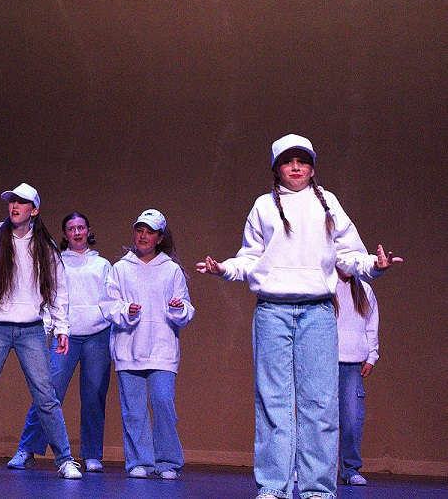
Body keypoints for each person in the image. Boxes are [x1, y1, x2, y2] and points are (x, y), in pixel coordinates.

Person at [197, 134, 400, 499]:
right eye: (288, 162)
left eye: (302, 161)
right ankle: (273, 485)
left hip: (318, 311)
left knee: (320, 402)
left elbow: (349, 254)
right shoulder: (263, 206)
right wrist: (224, 269)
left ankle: (317, 488)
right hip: (272, 311)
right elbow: (250, 258)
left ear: (312, 168)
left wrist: (375, 265)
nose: (295, 167)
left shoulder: (328, 203)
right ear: (276, 169)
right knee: (272, 400)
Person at [0, 183, 82, 480]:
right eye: (11, 201)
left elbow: (58, 290)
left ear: (34, 210)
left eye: (21, 202)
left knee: (46, 397)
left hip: (31, 329)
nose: (14, 206)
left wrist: (61, 327)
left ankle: (65, 459)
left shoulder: (45, 246)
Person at [8, 212, 112, 473]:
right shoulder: (57, 262)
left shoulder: (103, 265)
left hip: (98, 335)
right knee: (48, 392)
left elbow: (111, 300)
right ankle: (27, 449)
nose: (77, 233)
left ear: (88, 230)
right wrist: (47, 330)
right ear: (65, 234)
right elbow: (48, 297)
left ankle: (91, 454)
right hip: (65, 335)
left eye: (81, 228)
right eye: (71, 229)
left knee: (94, 395)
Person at [100, 209, 193, 480]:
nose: (143, 236)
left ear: (159, 238)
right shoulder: (121, 268)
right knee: (133, 409)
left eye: (149, 232)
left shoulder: (171, 270)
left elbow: (186, 309)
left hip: (162, 348)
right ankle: (139, 461)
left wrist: (177, 308)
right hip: (129, 348)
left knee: (163, 402)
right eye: (139, 230)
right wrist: (126, 310)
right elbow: (108, 304)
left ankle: (168, 461)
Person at [336, 269, 379, 486]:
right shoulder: (325, 284)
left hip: (352, 364)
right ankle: (304, 468)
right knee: (315, 419)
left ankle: (350, 468)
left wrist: (371, 356)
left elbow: (371, 325)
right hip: (323, 360)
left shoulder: (364, 290)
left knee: (352, 420)